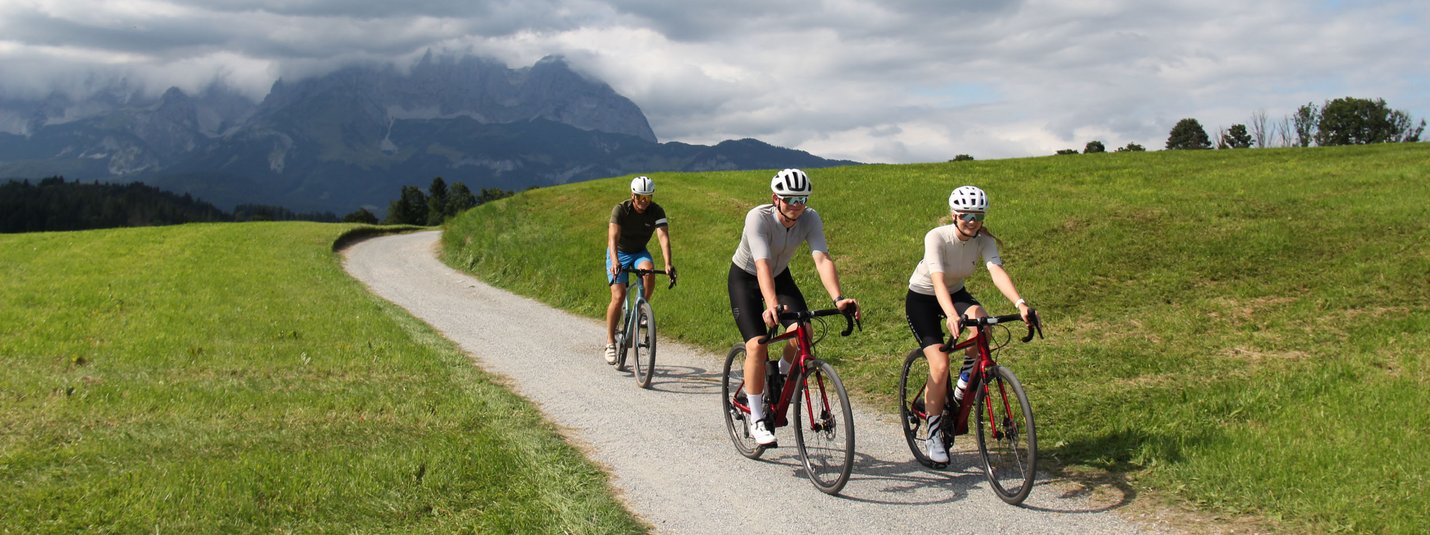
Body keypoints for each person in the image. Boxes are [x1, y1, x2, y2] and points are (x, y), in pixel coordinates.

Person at [728, 168, 859, 446]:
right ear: (776, 199)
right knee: (757, 345)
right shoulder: (757, 218)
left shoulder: (810, 219)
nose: (797, 206)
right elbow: (761, 263)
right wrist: (771, 303)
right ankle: (757, 418)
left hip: (779, 276)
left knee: (804, 331)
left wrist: (838, 298)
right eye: (790, 199)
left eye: (802, 199)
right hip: (747, 278)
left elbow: (822, 259)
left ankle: (781, 377)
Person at [904, 185, 1032, 463]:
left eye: (978, 216)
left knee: (982, 324)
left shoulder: (984, 240)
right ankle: (934, 432)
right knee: (939, 364)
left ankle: (962, 388)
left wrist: (1020, 303)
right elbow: (937, 279)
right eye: (966, 216)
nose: (972, 222)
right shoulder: (936, 237)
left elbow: (996, 271)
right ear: (954, 215)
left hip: (956, 293)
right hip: (923, 298)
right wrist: (950, 314)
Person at [604, 176, 675, 364]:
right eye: (640, 198)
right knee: (618, 297)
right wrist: (615, 261)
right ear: (632, 195)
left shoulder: (656, 211)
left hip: (639, 252)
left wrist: (668, 264)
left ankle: (642, 309)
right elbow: (613, 237)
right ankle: (610, 342)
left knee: (649, 271)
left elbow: (663, 237)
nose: (644, 202)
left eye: (648, 198)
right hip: (618, 252)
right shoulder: (620, 210)